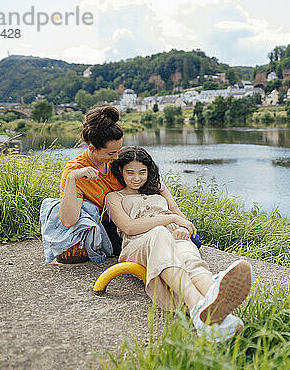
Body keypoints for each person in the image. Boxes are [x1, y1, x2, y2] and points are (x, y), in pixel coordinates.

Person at [105, 146, 252, 341]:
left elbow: (180, 217)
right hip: (138, 244)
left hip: (170, 236)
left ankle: (216, 304)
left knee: (189, 255)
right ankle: (197, 305)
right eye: (130, 173)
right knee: (159, 233)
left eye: (142, 172)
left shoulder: (158, 188)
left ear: (149, 171)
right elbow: (129, 227)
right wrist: (169, 220)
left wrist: (183, 228)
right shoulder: (114, 197)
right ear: (120, 172)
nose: (137, 178)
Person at [56, 105, 197, 263]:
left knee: (193, 240)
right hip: (115, 227)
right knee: (161, 247)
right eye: (111, 153)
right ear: (92, 148)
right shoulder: (76, 170)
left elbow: (155, 184)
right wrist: (72, 179)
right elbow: (68, 221)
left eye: (119, 150)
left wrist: (181, 218)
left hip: (143, 217)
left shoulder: (117, 161)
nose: (117, 157)